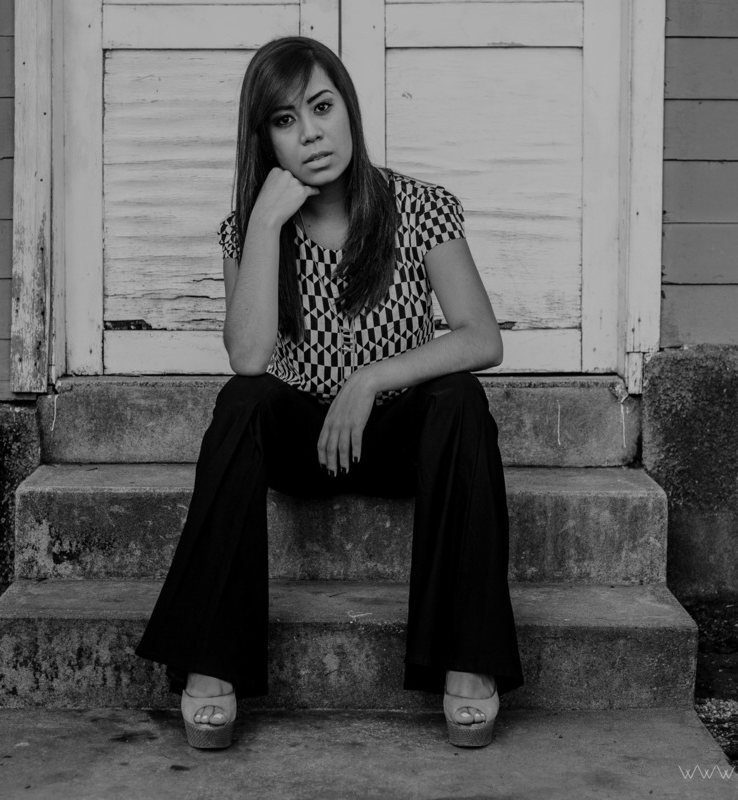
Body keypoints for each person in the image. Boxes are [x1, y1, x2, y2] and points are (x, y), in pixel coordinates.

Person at [134, 35, 523, 750]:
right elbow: (248, 357)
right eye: (285, 120)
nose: (310, 133)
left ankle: (469, 663)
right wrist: (263, 222)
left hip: (399, 438)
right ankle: (212, 666)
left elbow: (481, 337)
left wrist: (369, 380)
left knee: (461, 398)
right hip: (302, 445)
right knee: (242, 401)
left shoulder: (421, 207)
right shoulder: (251, 228)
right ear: (266, 140)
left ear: (349, 109)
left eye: (321, 107)